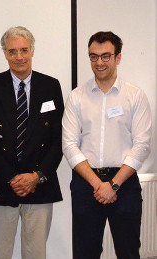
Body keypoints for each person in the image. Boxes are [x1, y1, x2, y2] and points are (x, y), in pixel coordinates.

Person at [0, 26, 64, 259]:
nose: (19, 57)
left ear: (32, 50)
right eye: (12, 51)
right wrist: (12, 178)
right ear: (4, 53)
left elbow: (58, 139)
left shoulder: (51, 86)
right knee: (0, 253)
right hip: (2, 185)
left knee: (36, 254)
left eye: (24, 50)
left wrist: (36, 176)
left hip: (40, 183)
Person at [62, 31, 152, 259]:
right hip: (86, 184)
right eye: (93, 57)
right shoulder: (76, 97)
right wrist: (97, 184)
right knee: (85, 252)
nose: (99, 62)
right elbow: (70, 145)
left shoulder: (135, 96)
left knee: (128, 251)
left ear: (117, 58)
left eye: (105, 56)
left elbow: (141, 145)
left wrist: (113, 185)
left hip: (124, 183)